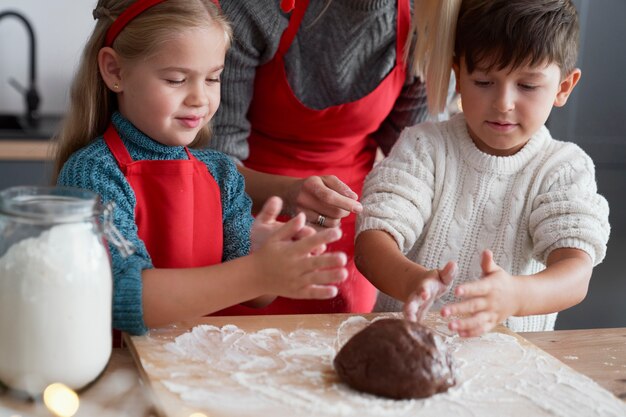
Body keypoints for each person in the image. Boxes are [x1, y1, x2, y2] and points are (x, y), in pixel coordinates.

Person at [53, 0, 349, 336]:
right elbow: (121, 293)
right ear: (115, 71)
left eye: (213, 78)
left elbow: (258, 297)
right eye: (177, 79)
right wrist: (255, 272)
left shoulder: (220, 173)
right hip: (120, 372)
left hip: (193, 369)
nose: (200, 98)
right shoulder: (94, 173)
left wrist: (272, 255)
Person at [354, 0, 611, 336]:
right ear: (457, 77)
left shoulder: (562, 169)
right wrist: (414, 282)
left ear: (563, 87)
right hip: (409, 343)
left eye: (527, 85)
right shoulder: (424, 147)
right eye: (484, 82)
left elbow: (576, 272)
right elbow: (373, 240)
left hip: (515, 364)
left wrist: (516, 297)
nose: (503, 103)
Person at [209, 0, 441, 315]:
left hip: (348, 233)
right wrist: (288, 194)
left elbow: (413, 161)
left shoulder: (425, 25)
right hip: (241, 216)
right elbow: (210, 163)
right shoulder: (258, 8)